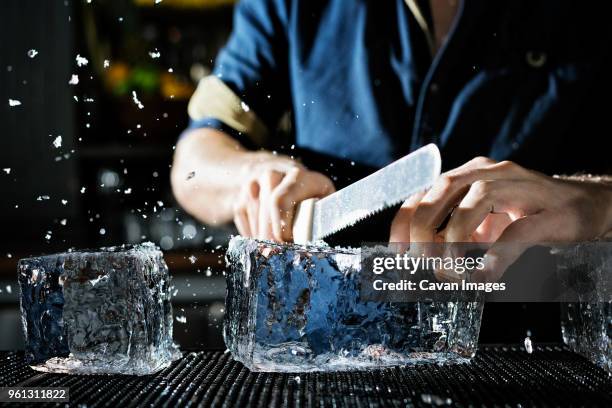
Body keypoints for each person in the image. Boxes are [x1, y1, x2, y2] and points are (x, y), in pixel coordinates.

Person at [172, 0, 612, 282]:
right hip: (333, 358)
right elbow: (195, 159)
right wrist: (251, 177)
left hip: (546, 353)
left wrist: (598, 200)